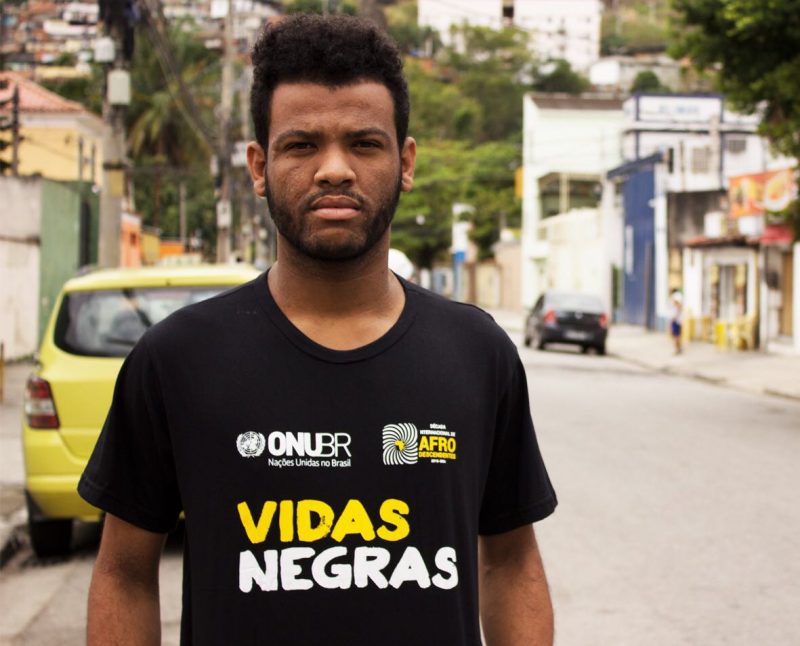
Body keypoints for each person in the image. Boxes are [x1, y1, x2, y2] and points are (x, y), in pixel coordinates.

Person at [80, 14, 557, 646]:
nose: (334, 169)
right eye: (302, 145)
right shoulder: (176, 359)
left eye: (364, 143)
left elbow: (512, 561)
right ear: (259, 165)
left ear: (406, 161)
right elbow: (124, 574)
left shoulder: (477, 354)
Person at [670, 290, 683, 355]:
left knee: (676, 336)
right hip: (678, 322)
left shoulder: (677, 307)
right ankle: (678, 348)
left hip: (676, 322)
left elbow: (675, 315)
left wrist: (672, 320)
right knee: (677, 336)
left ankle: (677, 349)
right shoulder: (676, 307)